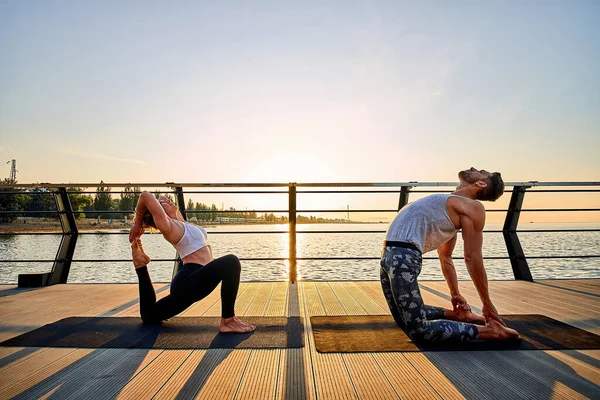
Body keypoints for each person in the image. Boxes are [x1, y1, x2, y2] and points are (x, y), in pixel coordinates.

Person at [380, 167, 520, 342]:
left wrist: (487, 305)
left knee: (419, 331)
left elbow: (473, 256)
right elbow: (445, 257)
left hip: (403, 258)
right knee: (402, 318)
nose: (473, 168)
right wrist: (456, 294)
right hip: (388, 257)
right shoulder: (447, 205)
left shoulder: (472, 207)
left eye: (481, 171)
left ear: (481, 183)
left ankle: (492, 332)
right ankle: (459, 316)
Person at [129, 191, 255, 333]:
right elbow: (145, 195)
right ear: (158, 213)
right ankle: (228, 320)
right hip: (188, 281)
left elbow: (169, 207)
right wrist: (137, 223)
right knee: (231, 262)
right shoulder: (169, 226)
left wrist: (173, 212)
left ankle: (140, 266)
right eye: (161, 202)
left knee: (149, 315)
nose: (166, 199)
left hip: (197, 280)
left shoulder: (180, 221)